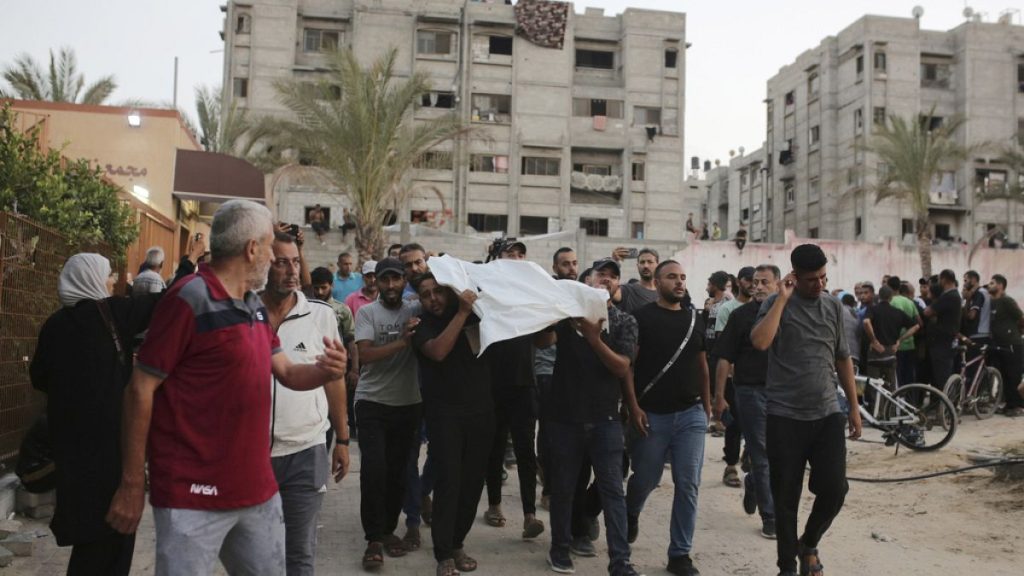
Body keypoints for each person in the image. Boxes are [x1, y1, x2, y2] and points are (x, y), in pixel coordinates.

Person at [105, 200, 348, 576]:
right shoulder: (189, 299)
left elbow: (284, 371)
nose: (274, 256)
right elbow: (139, 390)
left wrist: (325, 371)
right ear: (252, 249)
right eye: (270, 247)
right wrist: (132, 482)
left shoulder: (252, 305)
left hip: (256, 491)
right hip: (193, 495)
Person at [31, 253, 160, 576]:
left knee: (90, 545)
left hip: (72, 456)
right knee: (113, 541)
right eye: (107, 276)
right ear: (91, 278)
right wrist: (194, 264)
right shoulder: (112, 314)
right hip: (110, 454)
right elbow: (164, 303)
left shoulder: (55, 325)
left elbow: (39, 377)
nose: (112, 281)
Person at [751, 243, 862, 576]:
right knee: (785, 500)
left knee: (835, 488)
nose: (820, 285)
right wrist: (782, 300)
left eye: (824, 277)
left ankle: (809, 543)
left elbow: (842, 357)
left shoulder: (833, 306)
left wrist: (853, 408)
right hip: (784, 416)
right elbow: (760, 342)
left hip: (827, 412)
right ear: (794, 277)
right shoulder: (775, 304)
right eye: (812, 279)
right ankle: (786, 567)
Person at [536, 258, 643, 576]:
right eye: (600, 275)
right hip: (563, 417)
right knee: (564, 488)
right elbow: (540, 341)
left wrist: (594, 337)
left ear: (617, 287)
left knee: (612, 491)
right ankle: (559, 549)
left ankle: (620, 561)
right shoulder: (567, 316)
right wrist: (550, 316)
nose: (605, 280)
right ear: (585, 284)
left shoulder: (624, 322)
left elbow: (622, 367)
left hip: (605, 419)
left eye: (612, 277)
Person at [263, 232, 350, 575]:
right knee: (258, 554)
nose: (292, 271)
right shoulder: (243, 312)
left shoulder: (320, 315)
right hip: (250, 454)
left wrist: (342, 440)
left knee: (299, 555)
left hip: (306, 450)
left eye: (295, 261)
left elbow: (334, 378)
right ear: (263, 265)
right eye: (281, 262)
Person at [626, 260, 710, 576]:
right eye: (672, 277)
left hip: (690, 415)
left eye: (683, 277)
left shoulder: (695, 319)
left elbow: (702, 365)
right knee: (646, 479)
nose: (679, 282)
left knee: (688, 483)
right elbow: (629, 367)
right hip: (652, 416)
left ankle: (679, 554)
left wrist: (708, 404)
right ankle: (631, 511)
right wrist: (633, 407)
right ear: (658, 281)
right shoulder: (641, 318)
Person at [411, 274, 494, 576]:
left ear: (449, 291)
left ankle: (457, 543)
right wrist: (460, 312)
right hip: (444, 415)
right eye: (425, 294)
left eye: (437, 292)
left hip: (481, 412)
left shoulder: (476, 317)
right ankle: (443, 553)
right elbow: (438, 351)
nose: (432, 299)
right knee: (450, 482)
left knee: (473, 482)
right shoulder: (422, 325)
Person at [354, 258, 424, 568]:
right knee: (374, 470)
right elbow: (365, 355)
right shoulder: (367, 312)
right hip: (372, 403)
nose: (391, 285)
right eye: (385, 280)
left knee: (398, 472)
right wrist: (402, 342)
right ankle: (372, 538)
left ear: (404, 279)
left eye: (396, 279)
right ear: (377, 283)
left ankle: (387, 530)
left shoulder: (415, 309)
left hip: (408, 404)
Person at [482, 240, 545, 540]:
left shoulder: (532, 292)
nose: (517, 258)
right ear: (498, 258)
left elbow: (545, 340)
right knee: (493, 449)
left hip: (524, 383)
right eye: (511, 253)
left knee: (525, 452)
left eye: (521, 254)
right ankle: (494, 505)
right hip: (493, 384)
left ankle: (529, 515)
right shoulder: (488, 289)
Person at [715, 264, 780, 540]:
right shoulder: (741, 316)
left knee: (779, 454)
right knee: (762, 453)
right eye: (755, 282)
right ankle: (770, 516)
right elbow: (724, 357)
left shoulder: (786, 313)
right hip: (750, 392)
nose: (759, 286)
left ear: (778, 285)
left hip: (784, 394)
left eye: (765, 282)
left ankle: (753, 482)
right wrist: (718, 396)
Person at [715, 267, 754, 487]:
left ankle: (749, 455)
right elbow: (724, 347)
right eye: (749, 280)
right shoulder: (728, 310)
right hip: (734, 379)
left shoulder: (765, 308)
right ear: (739, 282)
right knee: (735, 424)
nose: (753, 285)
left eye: (756, 280)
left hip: (757, 379)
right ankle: (730, 465)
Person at [862, 286, 919, 388]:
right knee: (890, 385)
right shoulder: (897, 312)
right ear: (891, 297)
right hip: (890, 353)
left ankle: (875, 403)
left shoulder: (872, 309)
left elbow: (866, 322)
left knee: (874, 385)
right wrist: (900, 341)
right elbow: (916, 326)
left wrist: (874, 341)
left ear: (879, 296)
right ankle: (890, 403)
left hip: (875, 353)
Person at [988, 275, 1024, 416]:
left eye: (992, 283)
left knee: (1013, 376)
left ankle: (1018, 407)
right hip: (999, 346)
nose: (989, 285)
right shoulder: (992, 302)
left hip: (1013, 345)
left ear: (1000, 286)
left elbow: (1021, 318)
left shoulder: (1007, 301)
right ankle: (1009, 405)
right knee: (1004, 376)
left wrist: (1016, 332)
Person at [923, 269, 962, 390]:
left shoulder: (949, 296)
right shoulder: (951, 295)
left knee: (943, 377)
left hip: (943, 343)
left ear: (944, 279)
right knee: (941, 375)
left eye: (939, 279)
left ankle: (948, 406)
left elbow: (927, 312)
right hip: (944, 341)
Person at [887, 277, 921, 387]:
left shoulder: (889, 302)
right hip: (910, 345)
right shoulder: (909, 302)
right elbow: (919, 322)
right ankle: (911, 402)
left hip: (895, 346)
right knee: (910, 377)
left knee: (897, 378)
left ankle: (898, 402)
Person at [611, 247, 660, 313]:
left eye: (650, 262)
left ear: (658, 265)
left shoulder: (664, 292)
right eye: (642, 262)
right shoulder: (628, 290)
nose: (646, 266)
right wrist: (614, 262)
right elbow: (610, 291)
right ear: (637, 266)